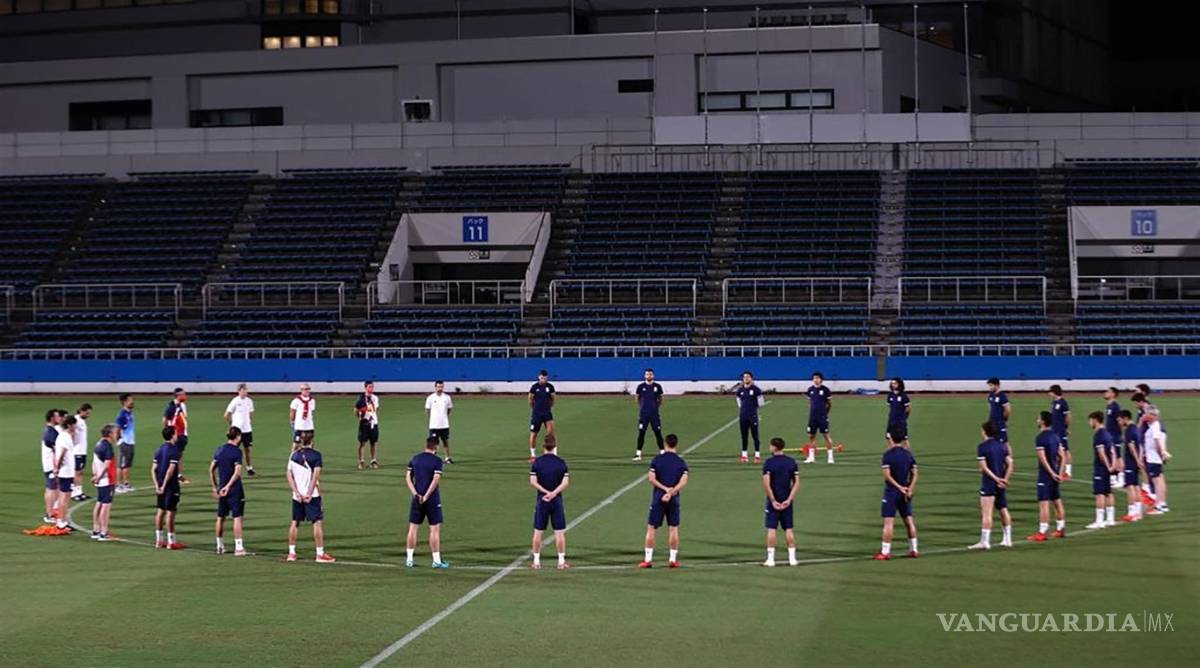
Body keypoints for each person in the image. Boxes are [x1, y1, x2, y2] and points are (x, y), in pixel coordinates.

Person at [639, 434, 689, 568]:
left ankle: (648, 560)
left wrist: (665, 489)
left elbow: (651, 478)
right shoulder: (681, 462)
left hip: (658, 498)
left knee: (651, 528)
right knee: (673, 529)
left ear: (665, 444)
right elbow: (684, 481)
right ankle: (672, 559)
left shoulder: (657, 460)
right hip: (674, 499)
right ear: (676, 445)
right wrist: (671, 492)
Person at [287, 433, 334, 563]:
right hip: (311, 496)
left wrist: (296, 492)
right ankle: (320, 554)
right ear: (312, 442)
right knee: (317, 522)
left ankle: (291, 553)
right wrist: (309, 493)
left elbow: (289, 475)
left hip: (297, 496)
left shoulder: (293, 455)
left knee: (295, 522)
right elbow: (315, 476)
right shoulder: (316, 456)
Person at [406, 436, 449, 569]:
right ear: (436, 446)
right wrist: (426, 496)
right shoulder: (437, 461)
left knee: (413, 528)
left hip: (416, 498)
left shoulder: (415, 458)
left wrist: (416, 494)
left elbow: (407, 478)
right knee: (434, 529)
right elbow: (435, 480)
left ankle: (409, 559)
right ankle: (436, 560)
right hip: (431, 499)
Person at [969, 421, 1012, 550]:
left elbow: (984, 468)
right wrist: (1004, 479)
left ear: (984, 431)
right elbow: (1010, 464)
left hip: (989, 483)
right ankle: (1008, 539)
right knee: (1003, 509)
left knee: (987, 513)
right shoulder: (1003, 446)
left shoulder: (982, 447)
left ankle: (985, 541)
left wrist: (996, 479)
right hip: (1001, 484)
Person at [529, 433, 570, 570]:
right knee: (559, 532)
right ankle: (561, 561)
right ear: (555, 446)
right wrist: (554, 493)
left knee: (538, 531)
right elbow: (565, 482)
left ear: (543, 446)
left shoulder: (537, 463)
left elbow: (533, 481)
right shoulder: (561, 463)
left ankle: (536, 561)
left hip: (542, 500)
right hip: (556, 500)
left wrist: (545, 492)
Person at [876, 437, 919, 559]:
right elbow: (915, 474)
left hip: (892, 492)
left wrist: (899, 487)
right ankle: (914, 549)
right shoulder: (908, 454)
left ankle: (885, 552)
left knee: (888, 522)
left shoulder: (887, 455)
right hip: (906, 492)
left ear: (891, 440)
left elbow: (887, 476)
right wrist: (909, 488)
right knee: (908, 520)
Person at [761, 437, 800, 567]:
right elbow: (797, 483)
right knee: (789, 529)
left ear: (774, 447)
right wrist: (789, 499)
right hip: (787, 500)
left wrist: (773, 500)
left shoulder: (769, 463)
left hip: (774, 501)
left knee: (771, 529)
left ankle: (771, 559)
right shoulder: (791, 462)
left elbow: (766, 484)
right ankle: (792, 559)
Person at [1028, 411, 1066, 541]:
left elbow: (1042, 458)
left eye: (1039, 418)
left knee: (1044, 504)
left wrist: (1051, 473)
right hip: (1055, 473)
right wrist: (1059, 473)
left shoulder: (1040, 438)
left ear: (1043, 421)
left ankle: (1042, 531)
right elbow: (1062, 456)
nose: (1037, 420)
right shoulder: (1055, 437)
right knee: (1057, 500)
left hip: (1045, 475)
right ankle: (1061, 528)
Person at [210, 427, 247, 556]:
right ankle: (239, 547)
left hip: (221, 489)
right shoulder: (237, 452)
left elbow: (211, 469)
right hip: (234, 489)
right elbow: (237, 472)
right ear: (237, 436)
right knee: (237, 517)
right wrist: (228, 486)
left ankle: (219, 546)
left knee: (221, 517)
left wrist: (216, 487)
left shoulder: (220, 450)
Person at [152, 426, 185, 549]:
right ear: (172, 435)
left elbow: (153, 470)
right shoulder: (174, 451)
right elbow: (170, 471)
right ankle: (171, 542)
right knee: (171, 513)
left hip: (160, 485)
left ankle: (159, 540)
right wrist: (164, 486)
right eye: (175, 433)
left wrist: (158, 486)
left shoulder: (159, 450)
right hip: (171, 487)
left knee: (160, 511)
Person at [1085, 411, 1116, 530]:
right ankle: (1110, 519)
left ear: (1095, 420)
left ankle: (1099, 521)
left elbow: (1101, 453)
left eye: (1090, 420)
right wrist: (1112, 465)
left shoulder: (1098, 435)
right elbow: (1112, 451)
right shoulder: (1107, 434)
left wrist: (1108, 466)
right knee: (1108, 492)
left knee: (1100, 494)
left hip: (1101, 468)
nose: (1089, 423)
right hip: (1108, 467)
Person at [50, 415, 78, 532]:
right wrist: (57, 467)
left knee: (64, 497)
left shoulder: (63, 436)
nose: (76, 427)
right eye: (74, 424)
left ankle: (62, 520)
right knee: (64, 498)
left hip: (66, 471)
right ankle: (61, 522)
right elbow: (61, 454)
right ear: (69, 425)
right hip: (65, 472)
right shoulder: (65, 437)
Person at [90, 424, 118, 541]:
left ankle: (96, 530)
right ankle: (104, 532)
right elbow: (106, 465)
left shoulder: (99, 443)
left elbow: (93, 461)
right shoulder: (107, 447)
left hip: (101, 480)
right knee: (106, 505)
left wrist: (95, 475)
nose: (117, 434)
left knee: (99, 503)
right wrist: (99, 476)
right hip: (107, 480)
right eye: (115, 432)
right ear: (110, 434)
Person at [1117, 410, 1145, 522]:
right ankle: (1138, 513)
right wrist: (1140, 459)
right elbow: (1141, 446)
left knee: (1130, 487)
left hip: (1131, 462)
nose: (1119, 422)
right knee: (1136, 486)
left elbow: (1132, 446)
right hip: (1136, 461)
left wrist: (1137, 460)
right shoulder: (1136, 429)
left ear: (1125, 418)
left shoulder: (1129, 430)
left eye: (1119, 420)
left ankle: (1132, 513)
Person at [632, 368, 665, 462]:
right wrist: (643, 407)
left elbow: (661, 399)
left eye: (650, 374)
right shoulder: (640, 386)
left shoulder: (657, 386)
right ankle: (638, 454)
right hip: (644, 415)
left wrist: (655, 407)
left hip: (654, 414)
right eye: (647, 374)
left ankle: (662, 452)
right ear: (644, 376)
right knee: (641, 433)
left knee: (657, 433)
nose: (649, 376)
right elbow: (637, 398)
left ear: (653, 375)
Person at [223, 383, 256, 477]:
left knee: (248, 449)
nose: (246, 391)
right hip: (237, 430)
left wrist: (247, 422)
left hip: (247, 429)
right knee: (233, 449)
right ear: (239, 391)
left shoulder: (249, 401)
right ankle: (231, 468)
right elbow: (226, 414)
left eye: (246, 390)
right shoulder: (235, 401)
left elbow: (251, 413)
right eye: (244, 390)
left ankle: (249, 468)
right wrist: (232, 425)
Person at [802, 372, 835, 464]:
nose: (815, 380)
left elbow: (830, 404)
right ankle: (811, 457)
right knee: (811, 436)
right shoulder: (810, 390)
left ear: (821, 379)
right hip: (812, 417)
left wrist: (825, 414)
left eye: (817, 378)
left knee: (826, 436)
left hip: (822, 417)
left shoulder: (825, 390)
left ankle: (830, 457)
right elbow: (810, 403)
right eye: (814, 378)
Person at [1142, 408, 1169, 514]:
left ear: (1154, 416)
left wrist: (1161, 454)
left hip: (1153, 458)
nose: (1146, 416)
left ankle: (1158, 506)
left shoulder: (1155, 427)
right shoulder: (1154, 426)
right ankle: (1162, 504)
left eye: (1149, 414)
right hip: (1155, 458)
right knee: (1160, 481)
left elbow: (1157, 443)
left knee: (1157, 483)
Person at [734, 371, 764, 463]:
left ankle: (757, 455)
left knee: (755, 436)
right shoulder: (740, 390)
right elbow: (738, 400)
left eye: (748, 377)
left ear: (751, 378)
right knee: (744, 436)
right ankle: (744, 455)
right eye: (744, 377)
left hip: (753, 416)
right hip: (743, 416)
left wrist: (754, 409)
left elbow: (761, 403)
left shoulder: (756, 389)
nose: (746, 378)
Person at [41, 408, 64, 524]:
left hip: (49, 464)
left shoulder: (50, 430)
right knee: (52, 488)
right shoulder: (51, 432)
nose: (59, 418)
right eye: (57, 416)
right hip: (51, 465)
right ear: (52, 418)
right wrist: (57, 467)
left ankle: (50, 512)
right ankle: (49, 514)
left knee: (51, 487)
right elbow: (56, 451)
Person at [527, 370, 556, 462]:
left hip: (547, 414)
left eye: (545, 377)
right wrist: (534, 409)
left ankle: (552, 453)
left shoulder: (550, 387)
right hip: (536, 415)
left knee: (550, 434)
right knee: (533, 434)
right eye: (541, 377)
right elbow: (530, 399)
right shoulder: (534, 387)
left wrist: (549, 408)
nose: (543, 379)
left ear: (547, 377)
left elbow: (553, 398)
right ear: (538, 377)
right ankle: (533, 455)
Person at [162, 388, 190, 484]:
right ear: (178, 396)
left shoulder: (182, 405)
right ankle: (174, 475)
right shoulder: (171, 406)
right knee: (174, 455)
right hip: (176, 435)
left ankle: (178, 475)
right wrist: (168, 433)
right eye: (183, 394)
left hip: (182, 434)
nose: (185, 396)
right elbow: (165, 420)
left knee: (180, 455)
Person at [425, 380, 454, 463]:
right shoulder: (430, 398)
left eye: (441, 387)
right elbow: (427, 410)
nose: (440, 388)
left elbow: (449, 409)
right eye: (438, 387)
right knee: (433, 442)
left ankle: (447, 457)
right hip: (434, 425)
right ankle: (432, 458)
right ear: (435, 387)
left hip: (444, 424)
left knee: (445, 441)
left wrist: (444, 417)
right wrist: (433, 418)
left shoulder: (447, 397)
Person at [355, 381, 382, 469]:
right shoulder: (361, 399)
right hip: (364, 423)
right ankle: (361, 461)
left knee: (374, 442)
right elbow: (356, 410)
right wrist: (359, 415)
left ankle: (373, 460)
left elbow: (374, 409)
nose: (371, 388)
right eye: (370, 387)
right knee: (362, 442)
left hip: (373, 422)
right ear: (365, 387)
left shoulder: (375, 398)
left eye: (372, 387)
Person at [1048, 384, 1072, 478]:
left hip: (1060, 431)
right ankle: (1059, 469)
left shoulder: (1063, 403)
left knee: (1065, 451)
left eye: (1050, 392)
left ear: (1054, 392)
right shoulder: (1054, 402)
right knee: (1057, 451)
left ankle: (1068, 471)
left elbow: (1068, 417)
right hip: (1054, 431)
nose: (1049, 394)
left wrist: (1065, 428)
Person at [71, 403, 93, 501]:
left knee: (80, 472)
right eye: (87, 413)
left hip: (82, 450)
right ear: (82, 411)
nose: (88, 415)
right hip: (77, 451)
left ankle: (79, 492)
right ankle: (74, 493)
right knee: (77, 472)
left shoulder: (82, 421)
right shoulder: (75, 420)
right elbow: (70, 432)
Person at [115, 394, 136, 493]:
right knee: (121, 465)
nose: (132, 402)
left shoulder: (129, 414)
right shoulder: (122, 415)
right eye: (130, 400)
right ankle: (118, 485)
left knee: (127, 464)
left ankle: (126, 484)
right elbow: (117, 429)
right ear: (125, 402)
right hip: (124, 442)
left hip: (130, 442)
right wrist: (119, 442)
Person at [1102, 387, 1122, 491]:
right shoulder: (1109, 405)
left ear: (1113, 394)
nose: (1105, 393)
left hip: (1115, 435)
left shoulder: (1115, 406)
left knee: (1118, 457)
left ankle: (1122, 478)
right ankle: (1114, 478)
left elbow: (1120, 421)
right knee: (1112, 456)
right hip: (1109, 435)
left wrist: (1121, 433)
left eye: (1108, 391)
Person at [885, 377, 911, 449]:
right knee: (889, 438)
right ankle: (891, 456)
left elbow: (908, 409)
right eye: (892, 383)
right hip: (892, 421)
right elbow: (890, 408)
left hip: (901, 422)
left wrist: (904, 418)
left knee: (904, 439)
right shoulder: (890, 395)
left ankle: (907, 456)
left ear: (900, 384)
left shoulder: (904, 396)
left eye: (895, 383)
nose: (893, 385)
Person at [986, 378, 1011, 443]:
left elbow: (1008, 410)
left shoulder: (1002, 396)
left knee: (1004, 442)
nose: (990, 387)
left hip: (1000, 423)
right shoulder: (990, 395)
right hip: (992, 422)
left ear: (997, 385)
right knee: (991, 440)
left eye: (991, 385)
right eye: (989, 385)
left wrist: (1004, 420)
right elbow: (990, 408)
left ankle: (1009, 453)